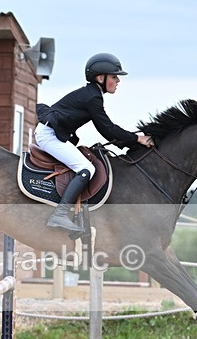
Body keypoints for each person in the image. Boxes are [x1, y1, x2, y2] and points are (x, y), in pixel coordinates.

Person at [35, 52, 154, 234]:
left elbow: (107, 130)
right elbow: (107, 129)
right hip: (48, 135)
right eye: (114, 77)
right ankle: (59, 215)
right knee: (87, 169)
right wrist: (137, 138)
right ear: (100, 77)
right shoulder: (93, 97)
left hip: (51, 133)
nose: (118, 81)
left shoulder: (92, 94)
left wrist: (131, 141)